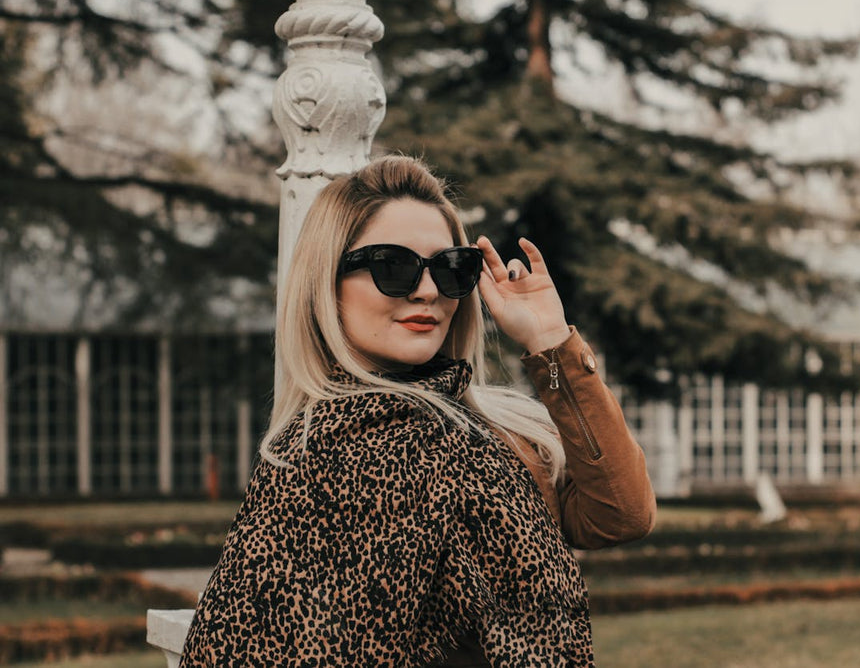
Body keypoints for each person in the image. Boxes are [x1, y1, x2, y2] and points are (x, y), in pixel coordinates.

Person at [179, 155, 656, 667]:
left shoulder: (499, 434)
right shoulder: (313, 457)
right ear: (328, 282)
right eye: (393, 266)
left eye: (451, 269)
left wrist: (552, 343)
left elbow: (620, 516)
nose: (428, 291)